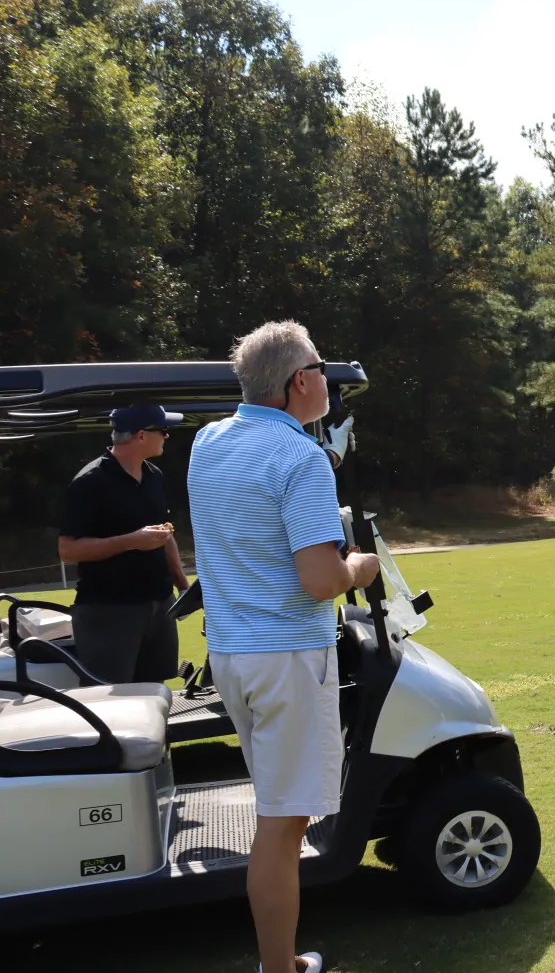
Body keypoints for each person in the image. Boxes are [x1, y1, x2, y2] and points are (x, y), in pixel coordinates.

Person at [188, 320, 379, 973]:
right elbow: (321, 579)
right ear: (300, 381)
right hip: (287, 659)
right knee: (283, 822)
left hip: (233, 654)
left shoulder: (206, 443)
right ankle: (279, 966)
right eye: (320, 367)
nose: (325, 378)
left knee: (278, 808)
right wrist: (361, 566)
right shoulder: (301, 458)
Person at [57, 405, 189, 683]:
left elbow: (165, 535)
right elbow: (68, 551)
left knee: (154, 695)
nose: (167, 437)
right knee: (108, 701)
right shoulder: (90, 481)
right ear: (142, 435)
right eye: (163, 430)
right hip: (109, 610)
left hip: (159, 604)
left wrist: (183, 588)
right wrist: (131, 541)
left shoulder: (155, 476)